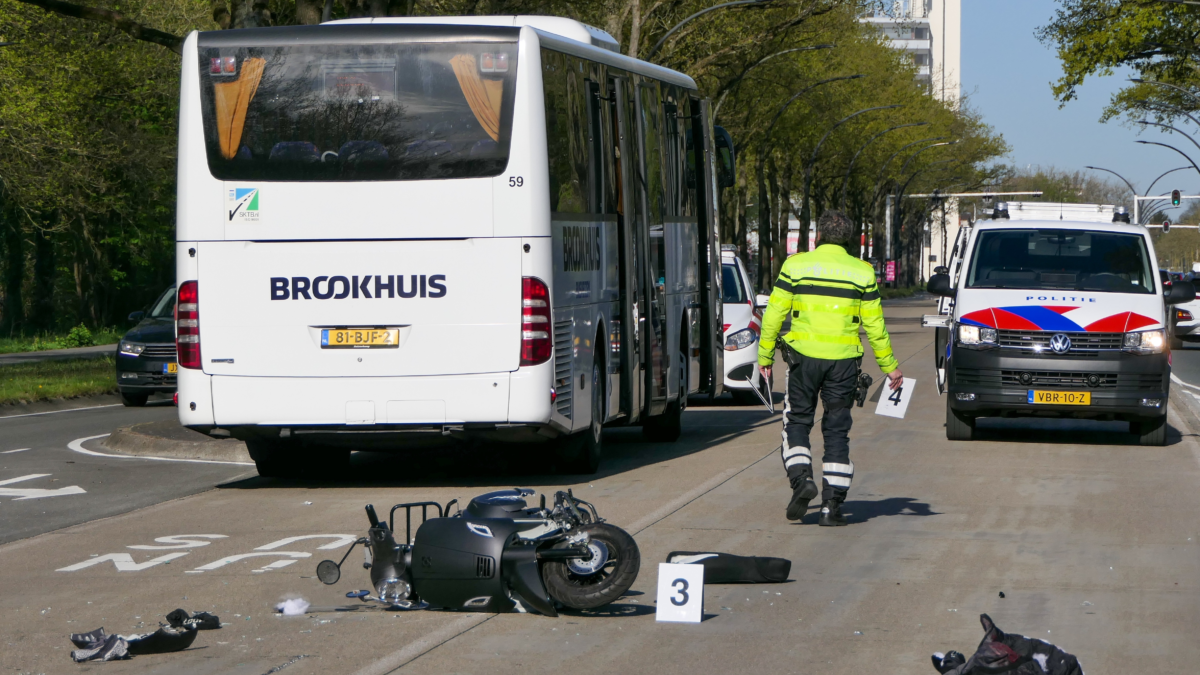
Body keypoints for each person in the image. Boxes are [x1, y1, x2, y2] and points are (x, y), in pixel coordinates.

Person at [757, 209, 902, 526]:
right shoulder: (863, 272)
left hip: (802, 360)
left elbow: (773, 315)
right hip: (844, 362)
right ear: (847, 239)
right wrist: (890, 367)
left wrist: (765, 356)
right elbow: (875, 326)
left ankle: (801, 480)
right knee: (837, 432)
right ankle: (831, 508)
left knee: (797, 422)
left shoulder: (795, 266)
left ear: (818, 236)